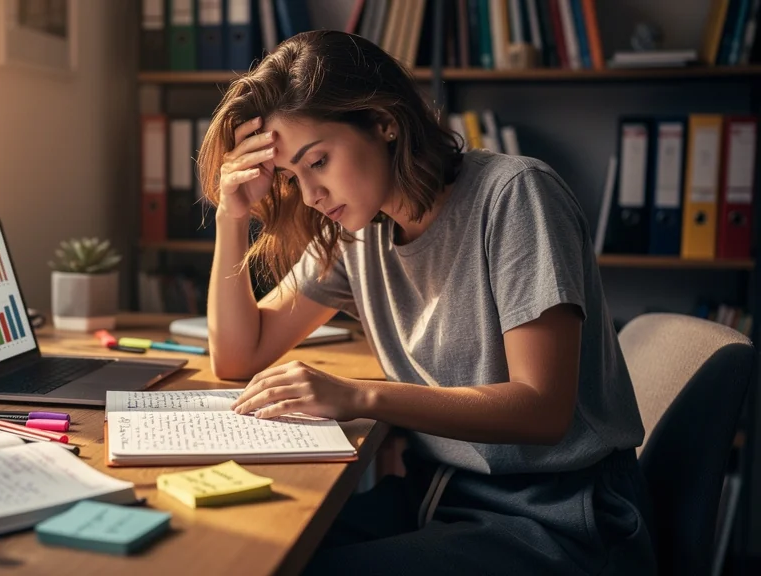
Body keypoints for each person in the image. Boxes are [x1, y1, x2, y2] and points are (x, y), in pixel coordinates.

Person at [196, 30, 655, 575]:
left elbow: (543, 409)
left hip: (556, 519)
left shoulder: (515, 196)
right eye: (294, 177)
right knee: (248, 552)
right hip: (441, 495)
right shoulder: (360, 232)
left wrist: (361, 395)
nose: (312, 195)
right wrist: (230, 216)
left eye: (317, 160)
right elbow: (238, 355)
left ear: (384, 121)